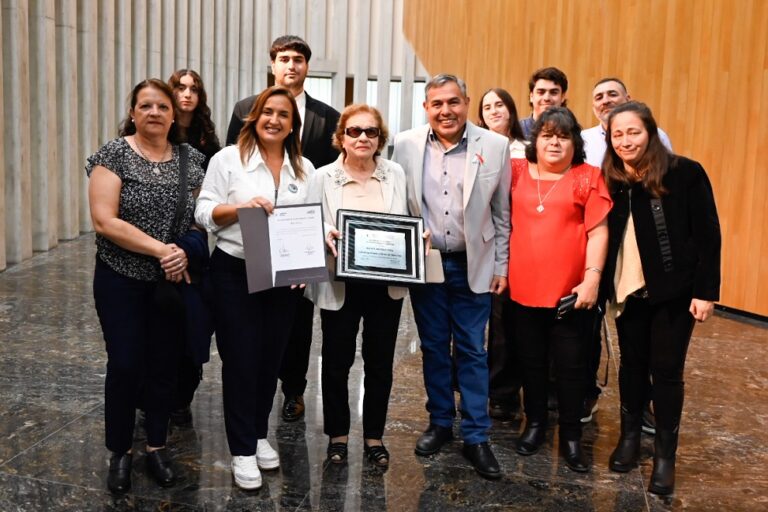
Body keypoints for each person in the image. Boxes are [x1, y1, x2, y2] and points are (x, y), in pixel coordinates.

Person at [87, 79, 206, 493]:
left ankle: (157, 447)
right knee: (124, 364)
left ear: (174, 115)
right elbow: (105, 220)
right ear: (133, 113)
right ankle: (120, 452)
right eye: (145, 105)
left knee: (163, 366)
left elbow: (200, 219)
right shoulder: (114, 154)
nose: (154, 112)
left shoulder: (193, 160)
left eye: (162, 106)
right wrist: (162, 250)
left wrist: (183, 252)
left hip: (170, 283)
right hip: (120, 277)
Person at [195, 86, 315, 490]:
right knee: (242, 359)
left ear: (292, 124)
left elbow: (312, 222)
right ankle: (242, 450)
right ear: (254, 116)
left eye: (284, 114)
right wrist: (239, 209)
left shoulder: (305, 168)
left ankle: (260, 432)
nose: (275, 120)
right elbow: (204, 211)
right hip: (235, 269)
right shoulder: (228, 159)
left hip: (284, 276)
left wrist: (313, 254)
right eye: (268, 112)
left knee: (271, 358)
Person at [392, 74, 511, 480]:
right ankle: (441, 422)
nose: (446, 111)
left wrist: (501, 265)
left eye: (454, 102)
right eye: (437, 104)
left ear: (467, 102)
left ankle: (477, 436)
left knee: (474, 351)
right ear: (426, 108)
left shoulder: (495, 146)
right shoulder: (406, 144)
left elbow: (502, 213)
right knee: (433, 347)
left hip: (473, 262)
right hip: (426, 264)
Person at [601, 101, 720, 495]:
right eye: (617, 134)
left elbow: (708, 236)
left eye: (632, 131)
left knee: (666, 371)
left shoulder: (684, 172)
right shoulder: (613, 177)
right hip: (627, 291)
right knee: (631, 367)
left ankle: (666, 455)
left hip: (675, 292)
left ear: (650, 132)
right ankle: (630, 438)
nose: (624, 141)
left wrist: (706, 291)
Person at [227, 35, 340, 423]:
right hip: (252, 241)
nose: (291, 66)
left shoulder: (328, 116)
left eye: (298, 60)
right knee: (253, 323)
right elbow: (233, 164)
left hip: (300, 239)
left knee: (296, 322)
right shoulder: (246, 108)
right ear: (273, 64)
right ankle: (254, 390)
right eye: (284, 59)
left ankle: (293, 390)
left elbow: (326, 180)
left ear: (307, 66)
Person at [508, 107, 612, 473]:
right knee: (531, 364)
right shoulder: (516, 171)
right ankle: (535, 424)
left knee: (571, 368)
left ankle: (570, 436)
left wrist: (593, 279)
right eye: (547, 134)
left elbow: (599, 231)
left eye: (563, 135)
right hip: (521, 288)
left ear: (575, 143)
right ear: (534, 140)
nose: (554, 142)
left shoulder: (588, 176)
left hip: (571, 293)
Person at [305, 104, 408, 468]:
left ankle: (374, 437)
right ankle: (338, 436)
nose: (362, 137)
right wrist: (324, 233)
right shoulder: (321, 177)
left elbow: (411, 217)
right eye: (354, 131)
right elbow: (308, 221)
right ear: (341, 138)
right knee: (336, 363)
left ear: (380, 139)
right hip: (339, 285)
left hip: (386, 288)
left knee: (380, 364)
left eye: (371, 131)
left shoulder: (395, 173)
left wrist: (418, 237)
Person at [580, 77, 673, 431]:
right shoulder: (587, 142)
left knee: (654, 354)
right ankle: (598, 402)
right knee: (603, 340)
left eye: (612, 95)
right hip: (602, 248)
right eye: (599, 96)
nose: (605, 101)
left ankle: (650, 417)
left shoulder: (661, 145)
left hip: (645, 255)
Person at [165, 69, 221, 426]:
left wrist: (189, 245)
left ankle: (182, 396)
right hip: (151, 243)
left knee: (193, 325)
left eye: (193, 89)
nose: (186, 94)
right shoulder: (149, 135)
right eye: (180, 88)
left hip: (195, 241)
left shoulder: (208, 143)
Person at [476, 88, 526, 420]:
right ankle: (472, 384)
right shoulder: (474, 146)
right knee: (471, 324)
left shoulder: (526, 149)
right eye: (487, 106)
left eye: (500, 104)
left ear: (512, 109)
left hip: (518, 243)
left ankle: (503, 391)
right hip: (480, 243)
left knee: (504, 322)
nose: (494, 110)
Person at [519, 67, 568, 139]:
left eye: (553, 92)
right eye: (541, 92)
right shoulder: (516, 131)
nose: (546, 98)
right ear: (531, 96)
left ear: (562, 97)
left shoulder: (572, 132)